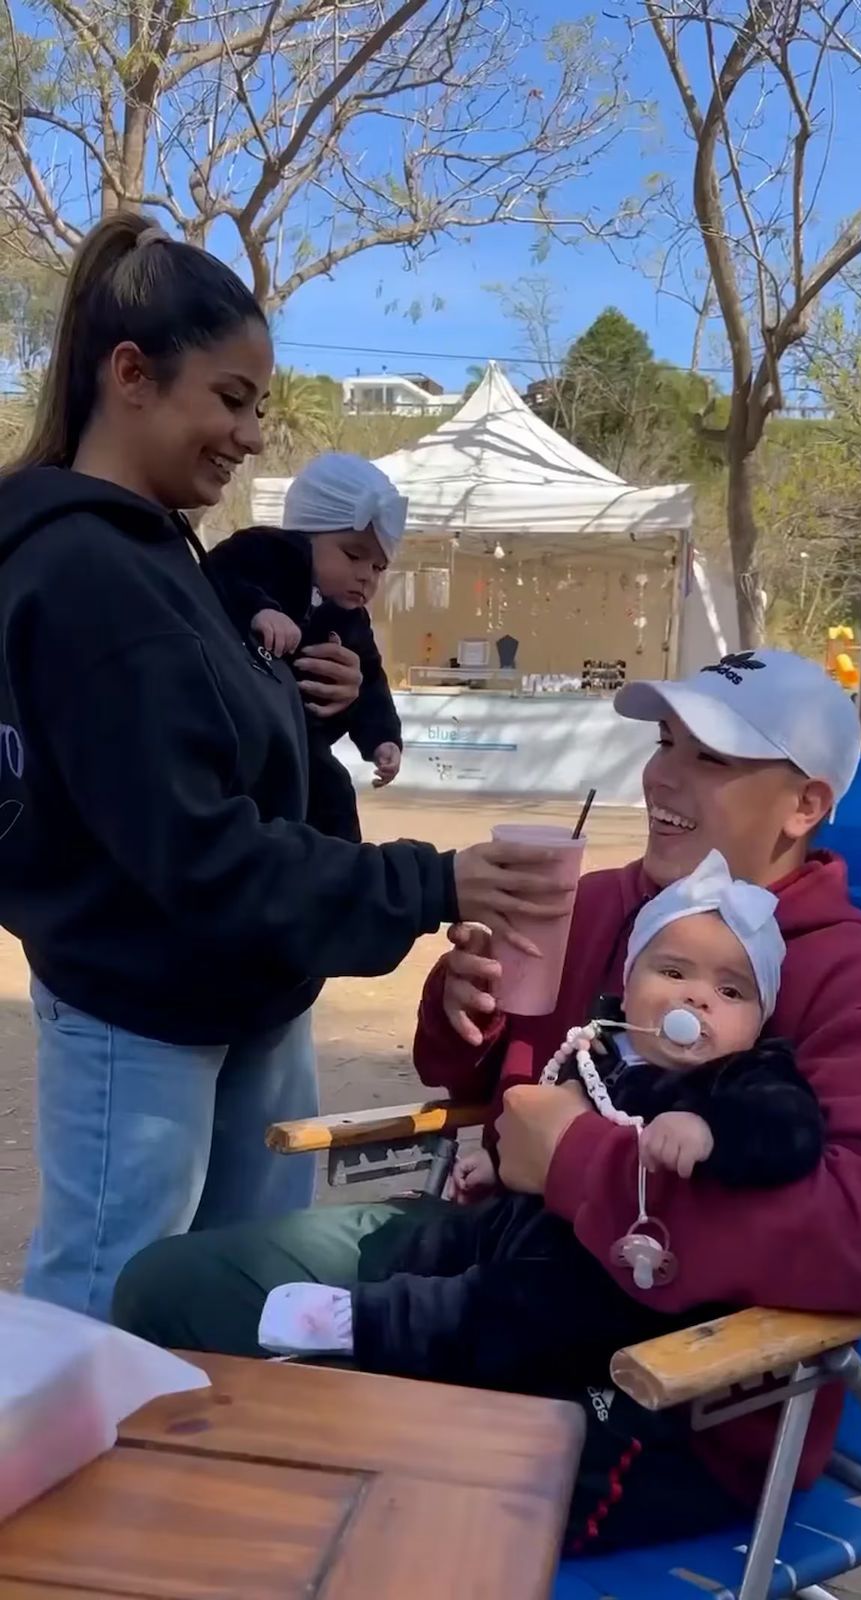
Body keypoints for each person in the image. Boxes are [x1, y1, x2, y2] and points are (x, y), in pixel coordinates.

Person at [112, 647, 861, 1556]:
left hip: (661, 1384)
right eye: (663, 741)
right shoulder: (598, 902)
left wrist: (574, 1162)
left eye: (710, 758)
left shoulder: (856, 985)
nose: (660, 776)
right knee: (167, 1291)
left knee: (335, 1498)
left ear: (804, 806)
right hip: (485, 1252)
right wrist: (463, 1017)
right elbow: (486, 1090)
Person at [0, 212, 569, 1321]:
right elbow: (200, 850)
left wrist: (311, 712)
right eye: (231, 397)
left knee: (237, 1297)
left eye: (256, 406)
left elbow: (207, 760)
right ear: (131, 375)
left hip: (242, 990)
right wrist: (431, 882)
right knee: (104, 1307)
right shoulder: (85, 579)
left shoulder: (160, 554)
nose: (254, 436)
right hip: (145, 1008)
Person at [253, 849, 824, 1534]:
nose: (698, 998)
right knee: (453, 1240)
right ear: (632, 981)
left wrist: (710, 1132)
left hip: (620, 1311)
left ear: (759, 1022)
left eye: (732, 992)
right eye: (673, 972)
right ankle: (369, 1359)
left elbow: (790, 1130)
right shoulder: (601, 1050)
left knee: (517, 1307)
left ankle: (372, 1324)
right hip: (536, 1230)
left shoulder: (743, 1079)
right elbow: (534, 1127)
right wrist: (502, 1166)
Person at [206, 452, 406, 845]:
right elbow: (219, 575)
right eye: (353, 555)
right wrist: (259, 609)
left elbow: (370, 682)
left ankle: (343, 876)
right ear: (304, 538)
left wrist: (382, 738)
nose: (366, 576)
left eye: (379, 568)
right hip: (242, 729)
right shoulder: (264, 553)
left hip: (304, 740)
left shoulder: (351, 618)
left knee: (334, 792)